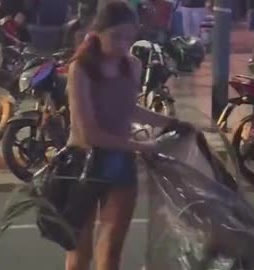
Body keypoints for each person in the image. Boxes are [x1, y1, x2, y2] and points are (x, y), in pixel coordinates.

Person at [64, 1, 188, 269]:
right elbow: (89, 133)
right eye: (117, 37)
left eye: (129, 38)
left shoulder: (131, 65)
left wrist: (170, 123)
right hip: (82, 165)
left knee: (111, 252)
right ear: (97, 32)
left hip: (119, 165)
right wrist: (143, 146)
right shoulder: (81, 68)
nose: (123, 44)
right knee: (79, 254)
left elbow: (128, 109)